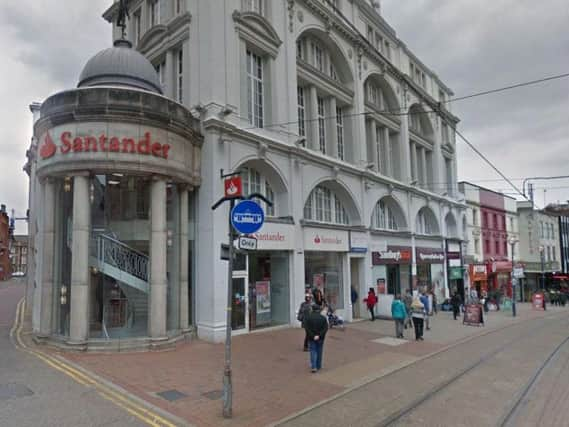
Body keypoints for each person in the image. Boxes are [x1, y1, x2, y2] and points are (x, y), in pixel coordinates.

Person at [304, 304, 329, 373]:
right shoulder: (323, 318)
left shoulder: (308, 317)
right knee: (319, 351)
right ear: (319, 310)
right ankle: (319, 365)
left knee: (313, 351)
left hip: (311, 338)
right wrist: (319, 335)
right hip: (320, 338)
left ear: (312, 309)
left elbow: (307, 328)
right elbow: (325, 328)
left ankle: (313, 366)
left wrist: (313, 336)